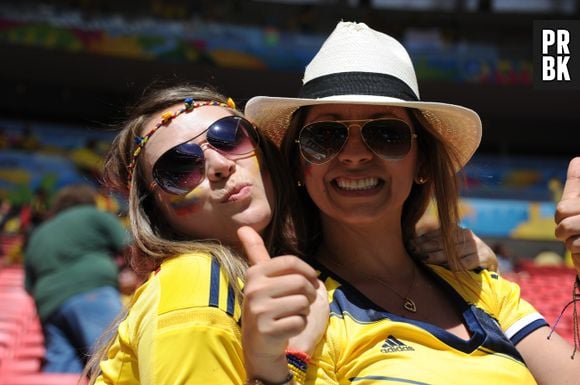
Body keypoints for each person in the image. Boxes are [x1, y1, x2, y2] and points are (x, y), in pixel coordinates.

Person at [86, 83, 496, 385]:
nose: (218, 165)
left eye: (228, 137)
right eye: (179, 168)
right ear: (154, 210)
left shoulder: (290, 277)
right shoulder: (195, 283)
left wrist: (472, 280)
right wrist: (293, 358)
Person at [242, 21, 580, 385]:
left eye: (386, 133)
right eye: (325, 136)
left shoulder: (483, 288)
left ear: (421, 162)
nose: (354, 155)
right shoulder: (296, 309)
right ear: (298, 166)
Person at [24, 183, 130, 373]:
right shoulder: (93, 215)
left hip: (49, 307)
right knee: (113, 360)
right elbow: (131, 245)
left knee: (62, 371)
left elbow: (28, 286)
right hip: (92, 293)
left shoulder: (39, 233)